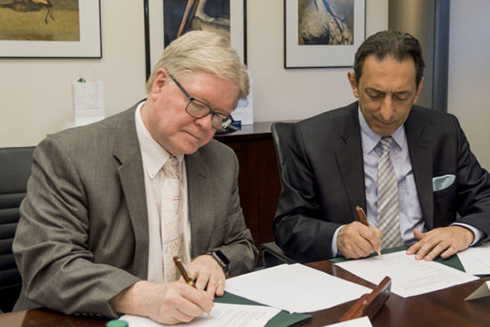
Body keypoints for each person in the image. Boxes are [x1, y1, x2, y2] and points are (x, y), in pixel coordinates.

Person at [13, 31, 258, 324]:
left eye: (219, 116)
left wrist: (215, 260)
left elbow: (242, 245)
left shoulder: (220, 160)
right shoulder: (70, 155)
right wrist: (145, 297)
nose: (206, 124)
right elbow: (48, 266)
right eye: (198, 105)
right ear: (160, 84)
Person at [274, 30, 490, 263]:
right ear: (354, 84)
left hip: (429, 268)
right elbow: (288, 225)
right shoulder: (312, 139)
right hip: (355, 273)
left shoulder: (443, 131)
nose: (387, 112)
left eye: (401, 96)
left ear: (417, 90)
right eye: (375, 94)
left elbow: (485, 198)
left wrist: (464, 231)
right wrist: (338, 238)